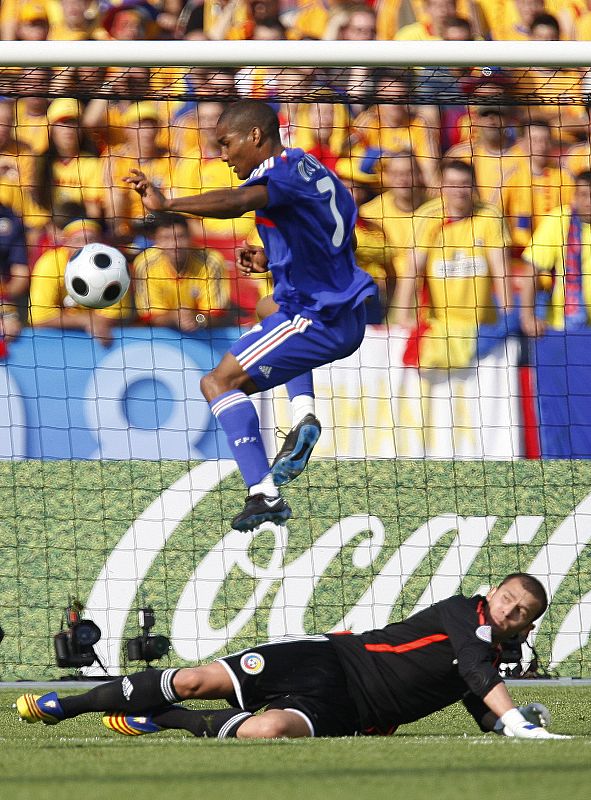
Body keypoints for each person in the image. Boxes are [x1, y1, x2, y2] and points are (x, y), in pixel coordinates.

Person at [124, 99, 377, 531]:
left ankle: (263, 493)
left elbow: (236, 201)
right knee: (266, 305)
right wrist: (273, 261)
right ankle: (303, 414)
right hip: (342, 304)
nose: (222, 154)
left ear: (255, 136)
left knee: (217, 382)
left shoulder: (273, 177)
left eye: (226, 143)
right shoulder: (307, 165)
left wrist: (167, 205)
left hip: (318, 318)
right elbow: (334, 237)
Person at [15, 573, 569, 740]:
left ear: (529, 623)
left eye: (521, 613)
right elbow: (473, 667)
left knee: (267, 734)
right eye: (506, 600)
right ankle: (72, 702)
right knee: (194, 679)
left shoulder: (497, 656)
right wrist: (518, 721)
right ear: (492, 592)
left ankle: (163, 719)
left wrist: (498, 724)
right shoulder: (462, 612)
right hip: (328, 660)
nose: (508, 613)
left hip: (351, 713)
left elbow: (475, 689)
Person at [395, 158, 514, 369]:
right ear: (442, 186)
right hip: (440, 329)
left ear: (474, 186)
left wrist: (507, 316)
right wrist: (403, 315)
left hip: (482, 328)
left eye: (464, 184)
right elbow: (412, 269)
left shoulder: (490, 216)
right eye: (452, 184)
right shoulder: (428, 216)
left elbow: (501, 272)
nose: (458, 190)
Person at [133, 213, 233, 332]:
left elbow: (217, 316)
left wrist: (197, 319)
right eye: (166, 238)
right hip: (161, 336)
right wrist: (175, 317)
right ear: (156, 240)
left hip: (204, 333)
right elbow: (150, 317)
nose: (174, 245)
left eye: (180, 237)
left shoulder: (211, 261)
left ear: (190, 237)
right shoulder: (144, 264)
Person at [520, 170, 591, 336]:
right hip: (564, 328)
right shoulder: (558, 220)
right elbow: (532, 268)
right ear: (574, 197)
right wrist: (528, 317)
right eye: (583, 195)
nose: (589, 201)